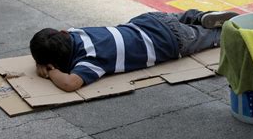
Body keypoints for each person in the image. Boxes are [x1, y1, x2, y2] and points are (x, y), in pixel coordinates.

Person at [30, 9, 238, 92]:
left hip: (169, 41)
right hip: (147, 20)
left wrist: (51, 71)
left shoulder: (90, 61)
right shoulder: (77, 33)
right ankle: (200, 16)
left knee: (212, 37)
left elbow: (69, 84)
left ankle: (221, 30)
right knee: (182, 17)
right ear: (63, 33)